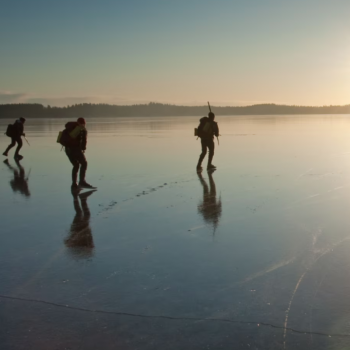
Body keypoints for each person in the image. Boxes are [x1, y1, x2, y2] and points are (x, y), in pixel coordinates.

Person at [65, 188, 95, 259]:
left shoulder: (85, 243)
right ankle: (79, 198)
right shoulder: (86, 243)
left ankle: (81, 198)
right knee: (80, 213)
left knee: (82, 214)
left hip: (77, 230)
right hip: (76, 230)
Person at [65, 117, 95, 189]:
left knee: (76, 165)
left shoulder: (70, 127)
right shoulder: (82, 129)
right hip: (75, 149)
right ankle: (82, 182)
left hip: (67, 150)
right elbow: (84, 142)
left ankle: (74, 184)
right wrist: (83, 149)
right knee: (84, 163)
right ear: (84, 123)